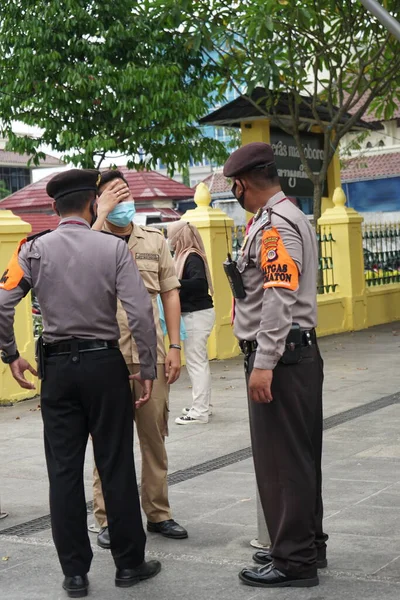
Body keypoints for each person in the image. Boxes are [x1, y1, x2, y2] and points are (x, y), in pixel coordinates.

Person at [0, 169, 161, 598]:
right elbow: (141, 313)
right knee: (116, 466)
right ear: (93, 204)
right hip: (105, 367)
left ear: (54, 208)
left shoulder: (31, 250)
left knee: (64, 472)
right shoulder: (113, 247)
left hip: (57, 371)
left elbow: (2, 302)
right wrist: (146, 366)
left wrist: (11, 355)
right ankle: (129, 565)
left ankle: (75, 574)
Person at [223, 143, 327, 589]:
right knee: (299, 459)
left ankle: (293, 562)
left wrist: (264, 362)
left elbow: (278, 295)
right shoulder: (287, 216)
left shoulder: (275, 226)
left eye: (235, 189)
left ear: (243, 184)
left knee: (283, 463)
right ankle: (305, 545)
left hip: (282, 359)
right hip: (295, 355)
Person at [91, 169, 188, 545]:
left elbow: (170, 294)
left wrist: (175, 346)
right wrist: (101, 214)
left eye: (126, 194)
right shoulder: (90, 240)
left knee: (154, 436)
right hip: (107, 356)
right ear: (99, 201)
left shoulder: (156, 239)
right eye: (115, 195)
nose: (123, 201)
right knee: (107, 440)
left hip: (151, 356)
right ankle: (107, 518)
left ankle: (158, 513)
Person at [166, 221, 215, 425]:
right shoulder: (185, 256)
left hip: (197, 314)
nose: (170, 241)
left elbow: (199, 283)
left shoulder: (192, 256)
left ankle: (200, 412)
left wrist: (172, 283)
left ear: (180, 236)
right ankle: (204, 405)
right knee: (199, 362)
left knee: (196, 363)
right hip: (196, 314)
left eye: (171, 236)